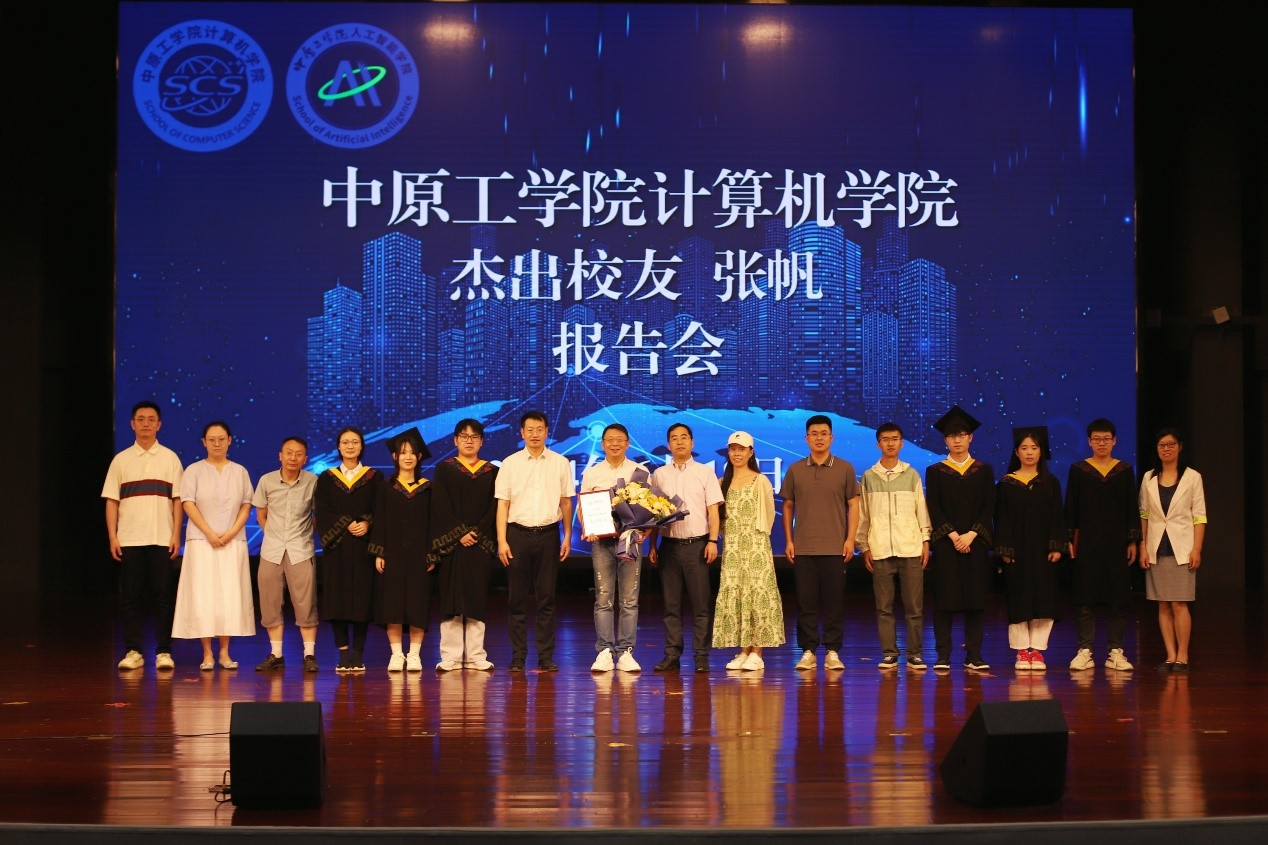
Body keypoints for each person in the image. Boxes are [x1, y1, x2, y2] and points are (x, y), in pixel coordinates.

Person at [102, 400, 184, 670]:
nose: (146, 423)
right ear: (132, 424)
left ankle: (164, 651)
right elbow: (112, 501)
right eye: (141, 419)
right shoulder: (121, 460)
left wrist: (176, 534)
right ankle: (133, 651)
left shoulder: (170, 458)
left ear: (159, 425)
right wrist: (113, 537)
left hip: (162, 538)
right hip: (130, 539)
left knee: (163, 598)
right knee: (131, 598)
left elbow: (177, 500)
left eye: (151, 419)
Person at [495, 411, 576, 672]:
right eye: (529, 430)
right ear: (521, 433)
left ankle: (545, 656)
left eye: (539, 429)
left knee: (547, 599)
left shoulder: (560, 462)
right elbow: (502, 505)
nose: (534, 434)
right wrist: (502, 541)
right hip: (517, 535)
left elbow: (566, 502)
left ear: (547, 431)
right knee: (516, 599)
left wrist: (567, 536)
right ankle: (518, 656)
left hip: (548, 535)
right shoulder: (510, 463)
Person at [780, 414, 860, 672]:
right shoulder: (795, 469)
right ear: (806, 438)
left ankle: (833, 651)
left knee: (834, 602)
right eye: (814, 434)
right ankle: (808, 651)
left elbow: (854, 505)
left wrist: (850, 539)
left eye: (824, 433)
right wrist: (789, 540)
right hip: (803, 547)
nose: (819, 438)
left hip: (835, 547)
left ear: (831, 437)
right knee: (806, 603)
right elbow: (788, 506)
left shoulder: (845, 468)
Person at [172, 421, 254, 670]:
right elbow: (188, 503)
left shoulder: (239, 471)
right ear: (204, 442)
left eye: (221, 439)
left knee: (228, 595)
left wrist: (230, 532)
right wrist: (209, 533)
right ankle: (207, 653)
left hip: (232, 540)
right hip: (201, 541)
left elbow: (246, 504)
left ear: (229, 440)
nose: (217, 444)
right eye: (211, 439)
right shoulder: (193, 470)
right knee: (204, 595)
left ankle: (225, 652)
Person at [1065, 418, 1140, 672]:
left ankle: (1115, 651)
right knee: (1084, 595)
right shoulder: (1079, 470)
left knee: (1118, 596)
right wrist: (1069, 539)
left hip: (1117, 542)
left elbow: (1131, 507)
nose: (1101, 443)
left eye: (1106, 439)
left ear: (1114, 441)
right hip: (1087, 542)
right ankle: (1085, 650)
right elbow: (1071, 506)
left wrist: (1132, 540)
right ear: (1089, 441)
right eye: (1096, 439)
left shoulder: (1124, 470)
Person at [925, 406, 996, 672]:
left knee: (975, 600)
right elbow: (934, 506)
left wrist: (971, 534)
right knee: (944, 600)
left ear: (970, 438)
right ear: (945, 440)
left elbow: (988, 506)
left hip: (975, 543)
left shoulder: (983, 470)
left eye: (962, 435)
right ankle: (943, 655)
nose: (957, 440)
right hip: (947, 544)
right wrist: (954, 536)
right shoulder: (936, 471)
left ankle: (973, 655)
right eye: (952, 436)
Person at [649, 422, 724, 673]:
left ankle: (701, 655)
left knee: (701, 605)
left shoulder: (705, 472)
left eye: (684, 437)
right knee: (671, 606)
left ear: (692, 442)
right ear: (668, 444)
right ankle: (672, 654)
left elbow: (713, 510)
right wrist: (653, 545)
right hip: (669, 546)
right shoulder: (659, 475)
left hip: (698, 546)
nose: (679, 442)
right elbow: (653, 514)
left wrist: (712, 541)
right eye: (674, 438)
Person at [857, 423, 932, 670]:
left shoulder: (911, 475)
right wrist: (864, 546)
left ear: (902, 443)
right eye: (885, 439)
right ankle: (889, 653)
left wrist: (925, 540)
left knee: (914, 607)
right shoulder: (869, 476)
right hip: (880, 549)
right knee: (883, 607)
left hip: (910, 548)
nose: (890, 443)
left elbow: (921, 510)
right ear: (878, 444)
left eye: (895, 438)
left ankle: (915, 654)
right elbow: (863, 515)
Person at [994, 426, 1068, 671]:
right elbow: (1001, 518)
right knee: (1019, 598)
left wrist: (1056, 546)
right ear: (1016, 452)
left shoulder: (1050, 483)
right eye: (1024, 448)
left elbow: (1058, 516)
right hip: (1017, 552)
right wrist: (1005, 549)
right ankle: (1021, 651)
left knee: (1043, 599)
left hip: (1044, 552)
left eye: (1034, 448)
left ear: (1041, 451)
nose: (1029, 452)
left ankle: (1036, 651)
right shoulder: (1007, 483)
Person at [430, 419, 499, 672]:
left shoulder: (492, 471)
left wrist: (477, 533)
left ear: (481, 441)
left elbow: (495, 507)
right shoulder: (445, 469)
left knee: (476, 598)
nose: (469, 441)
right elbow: (440, 505)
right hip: (452, 544)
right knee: (451, 599)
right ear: (455, 440)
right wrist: (460, 533)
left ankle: (475, 655)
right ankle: (450, 655)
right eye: (464, 436)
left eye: (474, 437)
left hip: (480, 544)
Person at [713, 431, 784, 671]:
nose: (737, 453)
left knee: (757, 595)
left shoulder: (760, 480)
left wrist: (756, 541)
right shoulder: (722, 483)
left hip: (756, 547)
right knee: (738, 596)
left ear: (751, 452)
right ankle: (743, 651)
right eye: (733, 449)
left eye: (741, 449)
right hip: (733, 548)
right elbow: (718, 518)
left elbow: (769, 515)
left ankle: (757, 652)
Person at [579, 423, 647, 674]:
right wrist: (588, 527)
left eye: (620, 439)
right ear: (603, 443)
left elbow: (649, 506)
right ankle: (604, 651)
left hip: (629, 541)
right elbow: (583, 506)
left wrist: (645, 531)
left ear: (627, 443)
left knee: (629, 599)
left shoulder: (639, 471)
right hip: (602, 542)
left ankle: (626, 651)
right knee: (603, 598)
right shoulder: (593, 473)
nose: (614, 444)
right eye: (610, 439)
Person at [315, 427, 383, 673]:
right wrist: (346, 523)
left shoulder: (374, 477)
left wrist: (368, 523)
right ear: (339, 447)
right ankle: (343, 653)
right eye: (345, 442)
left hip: (363, 548)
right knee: (338, 600)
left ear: (362, 446)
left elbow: (381, 509)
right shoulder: (327, 478)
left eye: (355, 442)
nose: (350, 446)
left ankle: (358, 653)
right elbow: (322, 510)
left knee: (362, 600)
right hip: (338, 548)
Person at [1139, 428, 1206, 673]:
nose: (1166, 449)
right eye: (1161, 445)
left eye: (1171, 444)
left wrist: (1197, 549)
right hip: (1156, 547)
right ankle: (1170, 655)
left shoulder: (1192, 477)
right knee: (1163, 604)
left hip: (1182, 547)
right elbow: (1144, 515)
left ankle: (1183, 656)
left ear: (1180, 447)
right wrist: (1143, 546)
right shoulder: (1148, 477)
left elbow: (1199, 516)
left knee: (1179, 603)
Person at [252, 436, 320, 673]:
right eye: (289, 453)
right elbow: (261, 514)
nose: (293, 458)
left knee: (306, 602)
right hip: (271, 550)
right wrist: (272, 534)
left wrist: (303, 533)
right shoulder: (266, 480)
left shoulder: (312, 481)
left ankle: (309, 655)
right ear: (280, 456)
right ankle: (276, 654)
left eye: (298, 454)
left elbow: (318, 516)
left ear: (305, 458)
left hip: (300, 550)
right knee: (270, 602)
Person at [369, 427, 433, 672]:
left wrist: (432, 553)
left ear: (419, 457)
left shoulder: (428, 488)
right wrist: (379, 551)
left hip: (419, 554)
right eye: (403, 452)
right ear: (395, 457)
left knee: (418, 603)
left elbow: (433, 523)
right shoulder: (386, 487)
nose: (408, 457)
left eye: (412, 452)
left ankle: (414, 655)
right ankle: (396, 654)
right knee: (392, 604)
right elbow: (380, 520)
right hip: (393, 553)